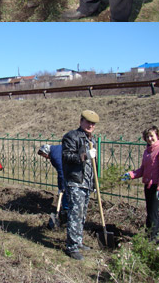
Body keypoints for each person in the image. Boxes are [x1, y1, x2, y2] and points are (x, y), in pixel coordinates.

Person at [62, 109, 100, 260]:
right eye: (88, 122)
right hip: (75, 181)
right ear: (81, 121)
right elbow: (66, 156)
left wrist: (95, 183)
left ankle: (78, 241)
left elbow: (93, 165)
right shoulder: (71, 136)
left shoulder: (92, 140)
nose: (90, 125)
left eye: (93, 123)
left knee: (82, 214)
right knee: (75, 213)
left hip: (87, 182)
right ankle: (71, 247)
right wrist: (84, 155)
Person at [122, 125, 159, 242]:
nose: (149, 138)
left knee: (153, 213)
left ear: (158, 135)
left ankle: (153, 239)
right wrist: (131, 174)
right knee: (149, 212)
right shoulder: (147, 151)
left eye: (152, 136)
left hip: (156, 186)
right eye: (147, 136)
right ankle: (148, 236)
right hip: (148, 185)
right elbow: (143, 170)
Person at [38, 144, 69, 212]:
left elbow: (61, 173)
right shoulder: (56, 148)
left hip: (70, 172)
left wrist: (61, 187)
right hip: (71, 169)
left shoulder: (55, 157)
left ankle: (66, 211)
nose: (45, 158)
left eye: (44, 155)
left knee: (66, 191)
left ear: (46, 152)